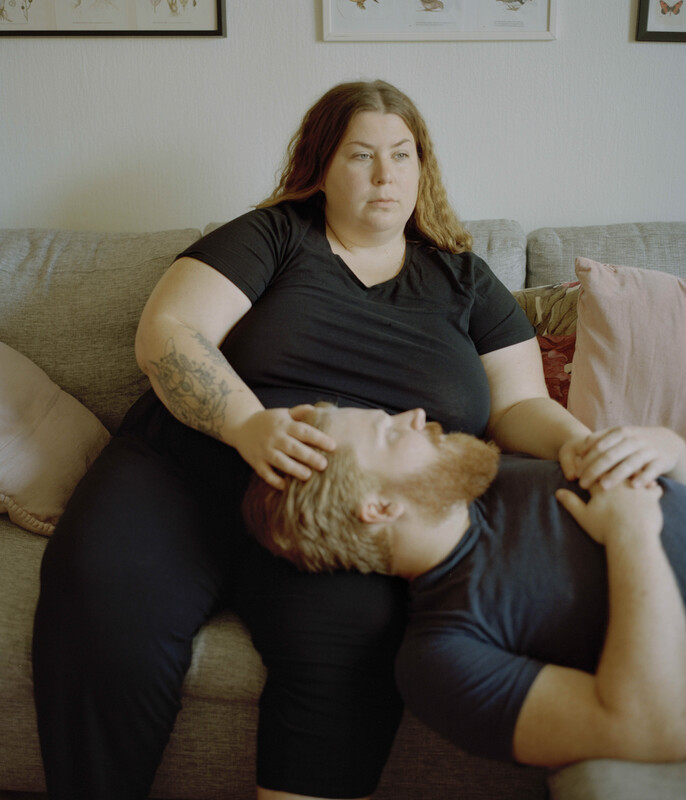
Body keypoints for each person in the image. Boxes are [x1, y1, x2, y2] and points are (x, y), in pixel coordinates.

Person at [31, 78, 650, 800]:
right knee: (102, 611)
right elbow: (170, 332)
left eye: (402, 154)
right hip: (185, 470)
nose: (386, 174)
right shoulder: (271, 237)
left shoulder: (466, 281)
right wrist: (246, 424)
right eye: (361, 154)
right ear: (321, 166)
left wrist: (578, 443)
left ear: (422, 168)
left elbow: (517, 405)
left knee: (356, 637)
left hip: (341, 513)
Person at [242, 403, 686, 769]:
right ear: (379, 508)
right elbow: (651, 730)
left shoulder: (490, 474)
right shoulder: (440, 656)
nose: (416, 415)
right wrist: (632, 532)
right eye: (391, 434)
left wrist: (672, 450)